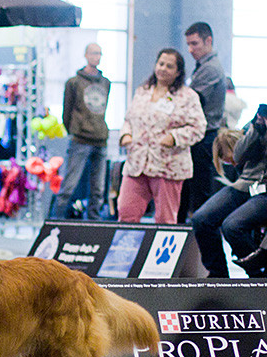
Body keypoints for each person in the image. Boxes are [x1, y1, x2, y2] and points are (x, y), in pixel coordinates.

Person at [190, 104, 267, 278]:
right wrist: (256, 127)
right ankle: (218, 275)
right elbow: (238, 156)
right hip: (244, 185)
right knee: (201, 219)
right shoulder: (256, 125)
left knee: (232, 226)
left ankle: (260, 274)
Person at [117, 48, 206, 224]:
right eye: (161, 64)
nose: (163, 69)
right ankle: (127, 242)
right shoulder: (143, 91)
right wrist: (126, 134)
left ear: (178, 72)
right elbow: (128, 119)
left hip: (167, 166)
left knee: (165, 219)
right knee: (126, 212)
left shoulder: (188, 96)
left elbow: (198, 127)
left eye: (169, 66)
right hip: (137, 163)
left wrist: (174, 137)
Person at [50, 43, 111, 220]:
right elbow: (66, 111)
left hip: (100, 139)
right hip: (80, 139)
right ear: (86, 55)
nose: (96, 57)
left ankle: (94, 223)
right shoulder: (74, 83)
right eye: (93, 53)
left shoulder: (106, 83)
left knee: (98, 189)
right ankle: (57, 221)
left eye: (99, 53)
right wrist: (75, 130)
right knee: (68, 186)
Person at [180, 22, 227, 221]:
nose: (191, 49)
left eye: (195, 44)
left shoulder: (211, 69)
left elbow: (190, 101)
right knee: (189, 189)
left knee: (198, 191)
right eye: (188, 44)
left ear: (208, 41)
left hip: (204, 137)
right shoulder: (202, 67)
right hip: (200, 137)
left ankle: (197, 235)